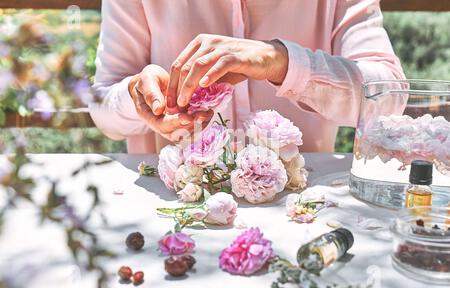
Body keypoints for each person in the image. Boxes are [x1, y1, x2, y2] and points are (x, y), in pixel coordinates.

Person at [90, 0, 405, 154]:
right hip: (172, 213)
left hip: (304, 211)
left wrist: (281, 62)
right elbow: (103, 109)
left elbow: (389, 98)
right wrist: (136, 96)